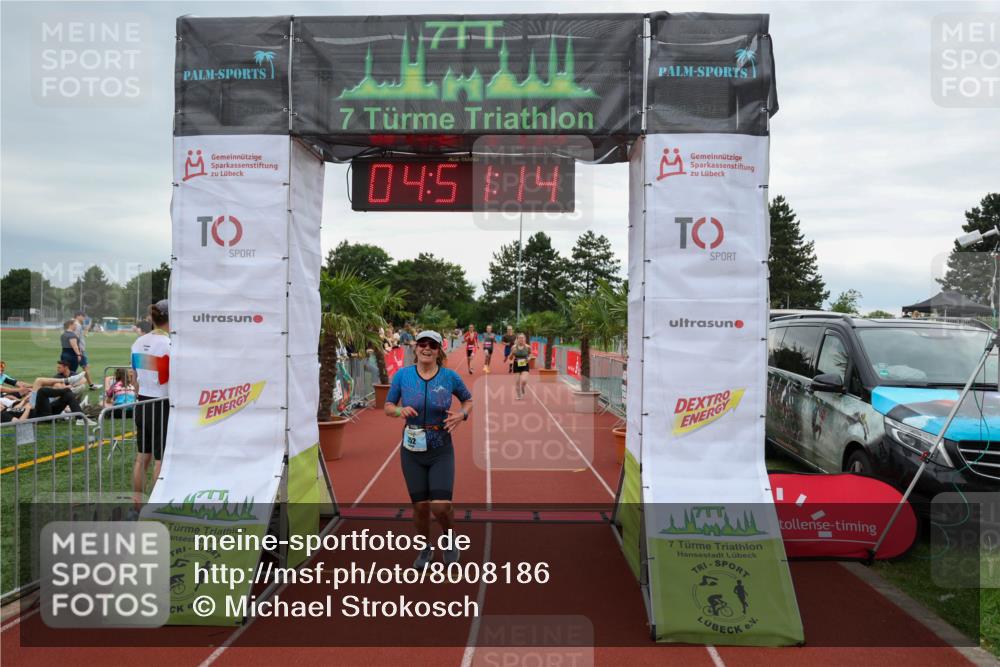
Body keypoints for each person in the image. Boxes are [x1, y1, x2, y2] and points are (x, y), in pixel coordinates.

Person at [384, 330, 473, 569]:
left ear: (439, 350)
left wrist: (462, 414)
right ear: (415, 348)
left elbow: (468, 399)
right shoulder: (403, 376)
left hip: (440, 449)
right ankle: (425, 547)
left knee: (441, 506)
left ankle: (449, 537)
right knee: (421, 507)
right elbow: (388, 405)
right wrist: (398, 411)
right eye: (422, 344)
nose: (426, 348)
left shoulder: (449, 377)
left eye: (432, 345)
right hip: (411, 451)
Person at [131, 300, 171, 508]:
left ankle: (137, 503)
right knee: (160, 460)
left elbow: (134, 376)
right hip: (160, 404)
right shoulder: (168, 344)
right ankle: (156, 506)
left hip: (142, 402)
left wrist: (140, 397)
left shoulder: (138, 342)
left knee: (141, 458)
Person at [73, 311, 100, 390]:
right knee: (85, 367)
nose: (84, 318)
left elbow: (84, 334)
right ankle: (91, 385)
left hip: (78, 349)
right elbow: (75, 338)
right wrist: (78, 351)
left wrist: (89, 324)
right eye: (83, 316)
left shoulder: (75, 324)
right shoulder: (77, 325)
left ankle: (70, 383)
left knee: (77, 367)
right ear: (78, 316)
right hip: (80, 350)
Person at [506, 333, 535, 400]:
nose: (521, 339)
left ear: (525, 339)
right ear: (517, 339)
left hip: (525, 364)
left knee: (524, 380)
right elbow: (510, 358)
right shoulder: (514, 347)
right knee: (517, 381)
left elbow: (531, 354)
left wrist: (529, 358)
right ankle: (519, 395)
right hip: (516, 364)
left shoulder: (528, 347)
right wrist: (512, 353)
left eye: (522, 338)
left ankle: (523, 387)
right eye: (520, 338)